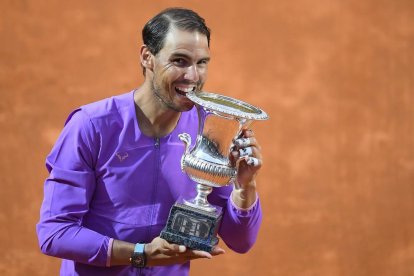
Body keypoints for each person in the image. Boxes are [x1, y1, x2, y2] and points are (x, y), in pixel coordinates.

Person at [37, 7, 263, 276]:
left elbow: (241, 241)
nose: (192, 76)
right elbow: (55, 232)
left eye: (202, 62)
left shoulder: (211, 127)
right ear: (148, 57)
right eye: (179, 60)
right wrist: (139, 255)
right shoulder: (91, 126)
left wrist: (245, 186)